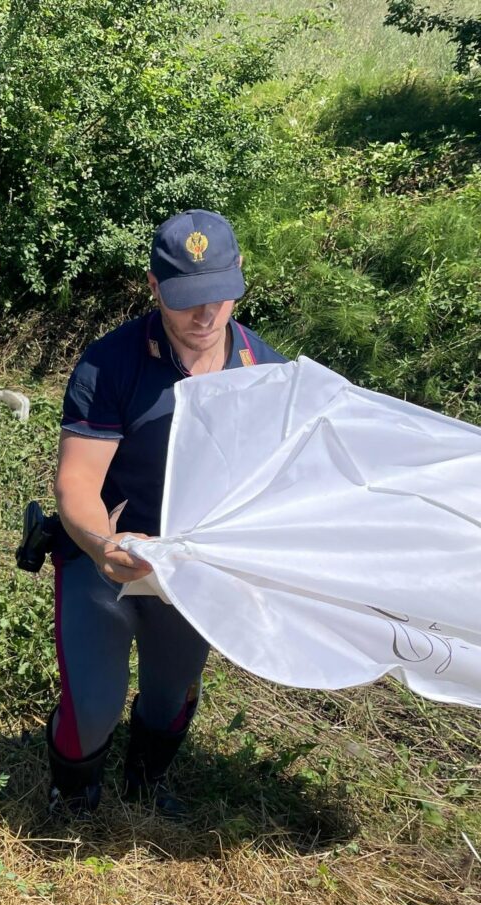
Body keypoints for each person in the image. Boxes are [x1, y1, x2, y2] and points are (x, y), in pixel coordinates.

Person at [47, 209, 287, 818]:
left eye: (218, 297)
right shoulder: (111, 364)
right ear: (153, 288)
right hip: (109, 554)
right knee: (94, 704)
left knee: (171, 693)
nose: (205, 317)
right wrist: (103, 547)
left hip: (193, 567)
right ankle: (74, 795)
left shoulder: (267, 373)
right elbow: (77, 480)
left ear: (239, 281)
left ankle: (144, 784)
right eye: (184, 300)